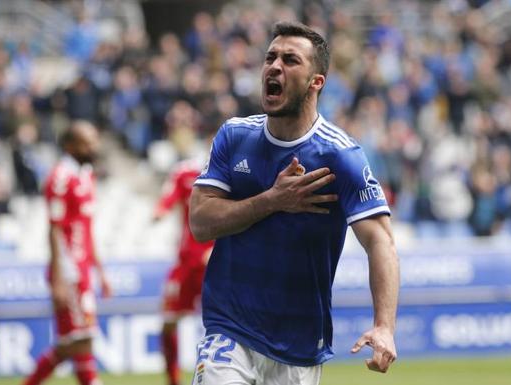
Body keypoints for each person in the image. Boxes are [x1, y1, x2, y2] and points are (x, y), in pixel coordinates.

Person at [189, 21, 399, 385]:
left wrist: (384, 326)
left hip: (298, 344)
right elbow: (200, 222)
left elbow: (380, 240)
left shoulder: (340, 156)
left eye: (290, 60)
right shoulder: (235, 136)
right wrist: (272, 200)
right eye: (270, 57)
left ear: (316, 82)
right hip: (229, 330)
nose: (274, 67)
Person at [23, 120, 111, 385]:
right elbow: (54, 229)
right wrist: (59, 278)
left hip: (83, 269)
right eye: (88, 142)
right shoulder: (60, 178)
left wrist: (101, 272)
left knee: (70, 343)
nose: (94, 147)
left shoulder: (85, 175)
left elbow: (87, 229)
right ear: (70, 146)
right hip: (69, 270)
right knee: (82, 338)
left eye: (95, 140)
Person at [153, 159, 214, 385]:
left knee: (227, 323)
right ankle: (173, 380)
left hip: (214, 261)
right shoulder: (186, 171)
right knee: (168, 323)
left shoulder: (235, 167)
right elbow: (168, 198)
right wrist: (161, 209)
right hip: (186, 262)